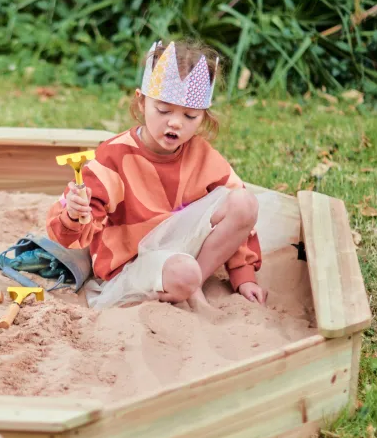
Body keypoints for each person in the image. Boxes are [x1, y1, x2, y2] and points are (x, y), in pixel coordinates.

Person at [46, 39, 266, 311]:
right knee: (184, 272)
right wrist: (74, 214)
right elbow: (70, 236)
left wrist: (244, 274)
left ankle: (194, 282)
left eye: (190, 116)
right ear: (142, 102)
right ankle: (187, 282)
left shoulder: (201, 154)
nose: (175, 122)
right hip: (133, 266)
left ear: (203, 117)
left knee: (244, 202)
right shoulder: (114, 156)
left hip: (181, 252)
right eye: (163, 110)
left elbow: (239, 213)